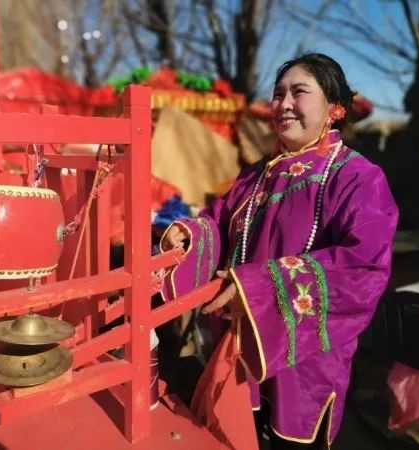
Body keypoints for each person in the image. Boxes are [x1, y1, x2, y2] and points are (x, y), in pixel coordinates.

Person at [160, 53, 398, 449]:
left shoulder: (358, 178)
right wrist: (190, 234)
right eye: (278, 93)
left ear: (334, 108)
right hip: (240, 348)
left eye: (299, 92)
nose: (284, 104)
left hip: (305, 359)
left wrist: (259, 288)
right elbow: (219, 223)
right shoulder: (256, 174)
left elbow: (364, 268)